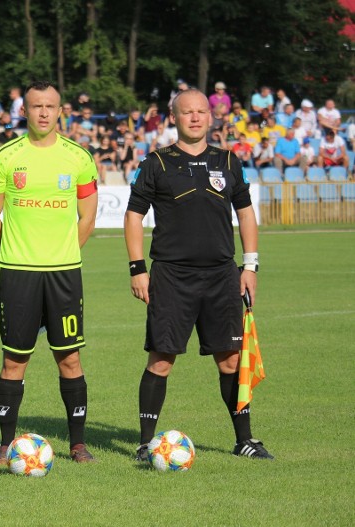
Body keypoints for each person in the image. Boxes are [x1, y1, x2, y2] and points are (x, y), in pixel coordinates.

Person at [124, 88, 273, 463]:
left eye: (201, 112)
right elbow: (133, 216)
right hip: (171, 276)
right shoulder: (155, 162)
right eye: (187, 112)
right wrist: (138, 269)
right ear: (173, 118)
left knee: (230, 360)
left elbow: (246, 214)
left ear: (211, 117)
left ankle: (245, 440)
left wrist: (250, 266)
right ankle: (145, 443)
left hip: (222, 275)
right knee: (161, 359)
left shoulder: (228, 160)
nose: (195, 118)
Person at [0, 80, 99, 466]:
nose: (43, 113)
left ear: (61, 110)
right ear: (25, 111)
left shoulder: (79, 158)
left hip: (64, 273)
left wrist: (61, 252)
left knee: (70, 358)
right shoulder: (4, 157)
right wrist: (17, 253)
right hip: (18, 274)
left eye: (50, 106)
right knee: (14, 360)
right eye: (36, 107)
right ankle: (5, 445)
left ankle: (78, 445)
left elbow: (88, 218)